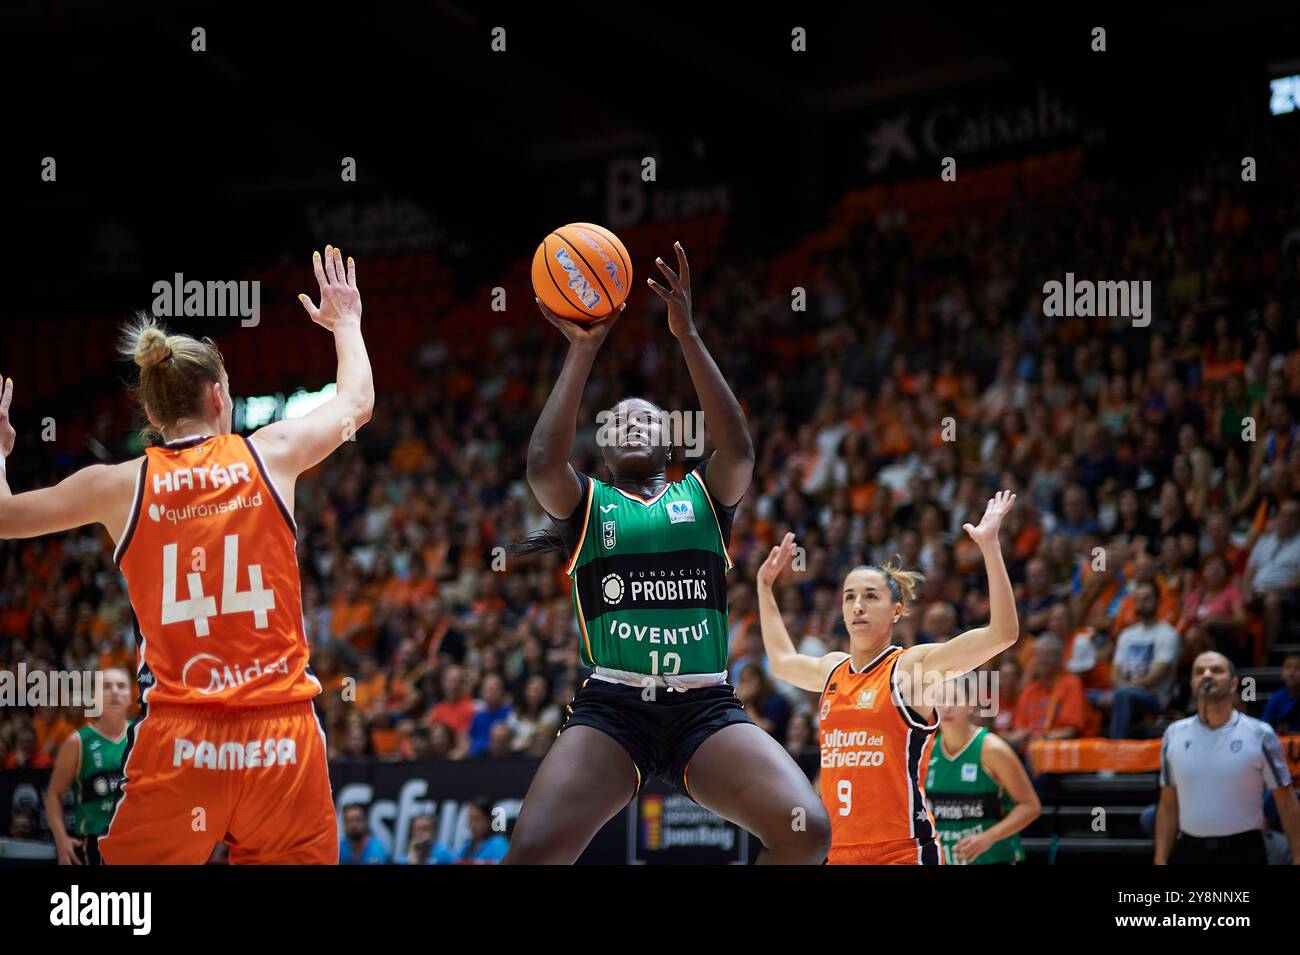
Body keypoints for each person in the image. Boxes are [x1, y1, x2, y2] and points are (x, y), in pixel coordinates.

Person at [0, 246, 373, 864]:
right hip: (280, 740)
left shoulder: (117, 485)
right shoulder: (271, 452)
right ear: (220, 395)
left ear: (149, 411)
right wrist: (348, 323)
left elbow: (6, 517)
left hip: (181, 742)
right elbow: (356, 402)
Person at [503, 243, 830, 864]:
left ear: (670, 442)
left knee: (806, 830)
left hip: (702, 705)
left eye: (647, 420)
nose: (631, 424)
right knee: (532, 854)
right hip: (613, 707)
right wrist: (583, 350)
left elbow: (738, 449)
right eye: (617, 421)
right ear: (602, 449)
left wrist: (687, 335)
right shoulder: (588, 504)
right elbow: (543, 463)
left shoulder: (706, 495)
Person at [755, 490, 1020, 864]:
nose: (858, 605)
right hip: (837, 852)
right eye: (849, 597)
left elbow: (1003, 634)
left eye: (870, 596)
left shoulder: (913, 669)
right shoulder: (833, 669)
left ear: (897, 611)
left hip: (901, 853)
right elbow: (782, 661)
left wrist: (990, 546)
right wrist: (765, 588)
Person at [1155, 652, 1300, 865]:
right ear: (1192, 683)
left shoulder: (1260, 733)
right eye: (1199, 671)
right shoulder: (1173, 734)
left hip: (1244, 851)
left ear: (1233, 684)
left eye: (1216, 670)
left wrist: (1298, 855)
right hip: (1190, 850)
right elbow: (1168, 804)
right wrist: (1160, 858)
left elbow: (1286, 801)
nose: (1207, 675)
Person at [926, 698, 1040, 865]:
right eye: (941, 700)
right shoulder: (927, 751)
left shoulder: (992, 748)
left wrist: (988, 837)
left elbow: (1030, 806)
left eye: (955, 700)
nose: (948, 707)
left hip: (995, 858)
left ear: (970, 705)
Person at [44, 668, 133, 865]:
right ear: (94, 697)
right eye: (107, 686)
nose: (115, 691)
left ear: (131, 696)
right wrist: (61, 840)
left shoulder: (142, 736)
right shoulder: (77, 742)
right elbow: (53, 795)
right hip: (94, 844)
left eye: (121, 686)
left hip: (136, 839)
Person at [1099, 581, 1180, 738]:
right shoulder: (1127, 634)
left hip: (1154, 699)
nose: (1141, 603)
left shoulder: (1168, 634)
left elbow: (1157, 675)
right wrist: (1120, 689)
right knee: (1086, 696)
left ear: (1158, 602)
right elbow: (1114, 673)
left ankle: (1115, 750)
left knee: (1123, 696)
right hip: (1124, 692)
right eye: (1138, 599)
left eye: (1147, 599)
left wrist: (1122, 690)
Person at [1004, 635, 1090, 750]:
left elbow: (1071, 731)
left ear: (1060, 659)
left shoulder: (1071, 684)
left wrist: (1042, 738)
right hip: (1029, 749)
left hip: (1058, 749)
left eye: (1047, 655)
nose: (1041, 660)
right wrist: (1020, 736)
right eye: (1038, 655)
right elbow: (1019, 728)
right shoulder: (1030, 690)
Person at [435, 798, 510, 864]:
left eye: (477, 819)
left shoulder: (498, 845)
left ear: (489, 820)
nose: (472, 825)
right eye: (470, 819)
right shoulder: (466, 846)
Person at [1261, 651, 1300, 735]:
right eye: (1288, 667)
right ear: (1282, 674)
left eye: (1297, 668)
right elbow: (1264, 728)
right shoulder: (1276, 698)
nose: (1291, 673)